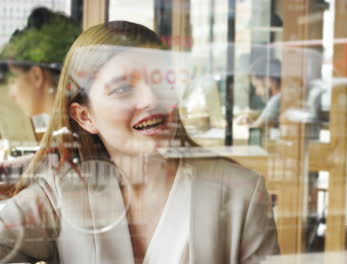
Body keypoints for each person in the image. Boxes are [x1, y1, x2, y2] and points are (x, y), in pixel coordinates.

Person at [0, 21, 279, 264]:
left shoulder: (242, 191)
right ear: (85, 117)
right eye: (123, 88)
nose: (152, 99)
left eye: (162, 80)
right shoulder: (61, 192)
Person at [0, 7, 81, 181]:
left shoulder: (76, 129)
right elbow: (51, 157)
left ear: (37, 76)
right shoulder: (69, 123)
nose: (12, 94)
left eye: (14, 80)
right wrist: (4, 170)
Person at [237, 57, 282, 128]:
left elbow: (257, 127)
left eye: (257, 86)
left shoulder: (278, 99)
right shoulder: (282, 97)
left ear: (268, 81)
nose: (257, 93)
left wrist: (243, 123)